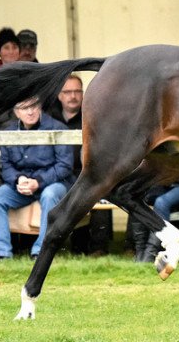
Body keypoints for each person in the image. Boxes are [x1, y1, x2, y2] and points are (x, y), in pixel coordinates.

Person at [0, 98, 74, 259]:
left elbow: (64, 166)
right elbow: (5, 165)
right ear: (16, 112)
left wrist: (38, 182)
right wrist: (18, 179)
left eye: (33, 106)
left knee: (50, 195)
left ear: (40, 107)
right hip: (21, 185)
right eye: (24, 108)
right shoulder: (8, 132)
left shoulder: (58, 128)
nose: (30, 112)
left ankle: (41, 252)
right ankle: (1, 252)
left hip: (53, 183)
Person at [48, 74, 112, 256]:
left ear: (83, 94)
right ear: (59, 95)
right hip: (62, 174)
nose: (73, 96)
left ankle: (98, 250)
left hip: (90, 172)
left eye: (77, 91)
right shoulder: (50, 119)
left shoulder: (94, 115)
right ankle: (74, 249)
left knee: (102, 194)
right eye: (67, 92)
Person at [131, 170, 179, 262]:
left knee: (162, 203)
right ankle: (140, 253)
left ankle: (150, 253)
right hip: (168, 183)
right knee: (136, 198)